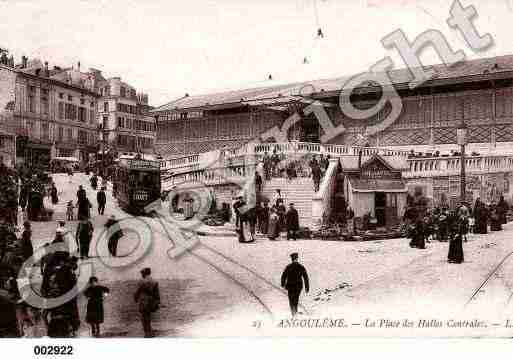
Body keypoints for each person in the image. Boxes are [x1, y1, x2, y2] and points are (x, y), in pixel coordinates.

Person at [134, 268, 160, 338]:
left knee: (144, 317)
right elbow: (157, 294)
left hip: (143, 301)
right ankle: (149, 331)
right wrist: (157, 302)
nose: (141, 275)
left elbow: (137, 292)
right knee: (148, 316)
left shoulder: (141, 281)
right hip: (151, 301)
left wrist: (135, 298)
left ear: (144, 273)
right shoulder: (154, 281)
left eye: (142, 273)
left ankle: (147, 332)